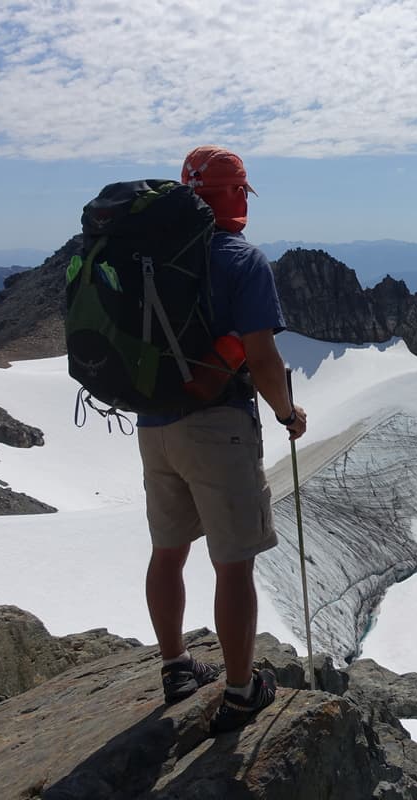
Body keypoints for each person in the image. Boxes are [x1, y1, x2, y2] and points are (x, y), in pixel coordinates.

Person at [138, 145, 307, 734]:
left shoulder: (151, 254)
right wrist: (286, 413)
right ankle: (240, 693)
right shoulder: (240, 258)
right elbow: (261, 357)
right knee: (233, 563)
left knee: (168, 551)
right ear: (235, 194)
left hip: (155, 423)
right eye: (242, 191)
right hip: (217, 427)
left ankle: (176, 668)